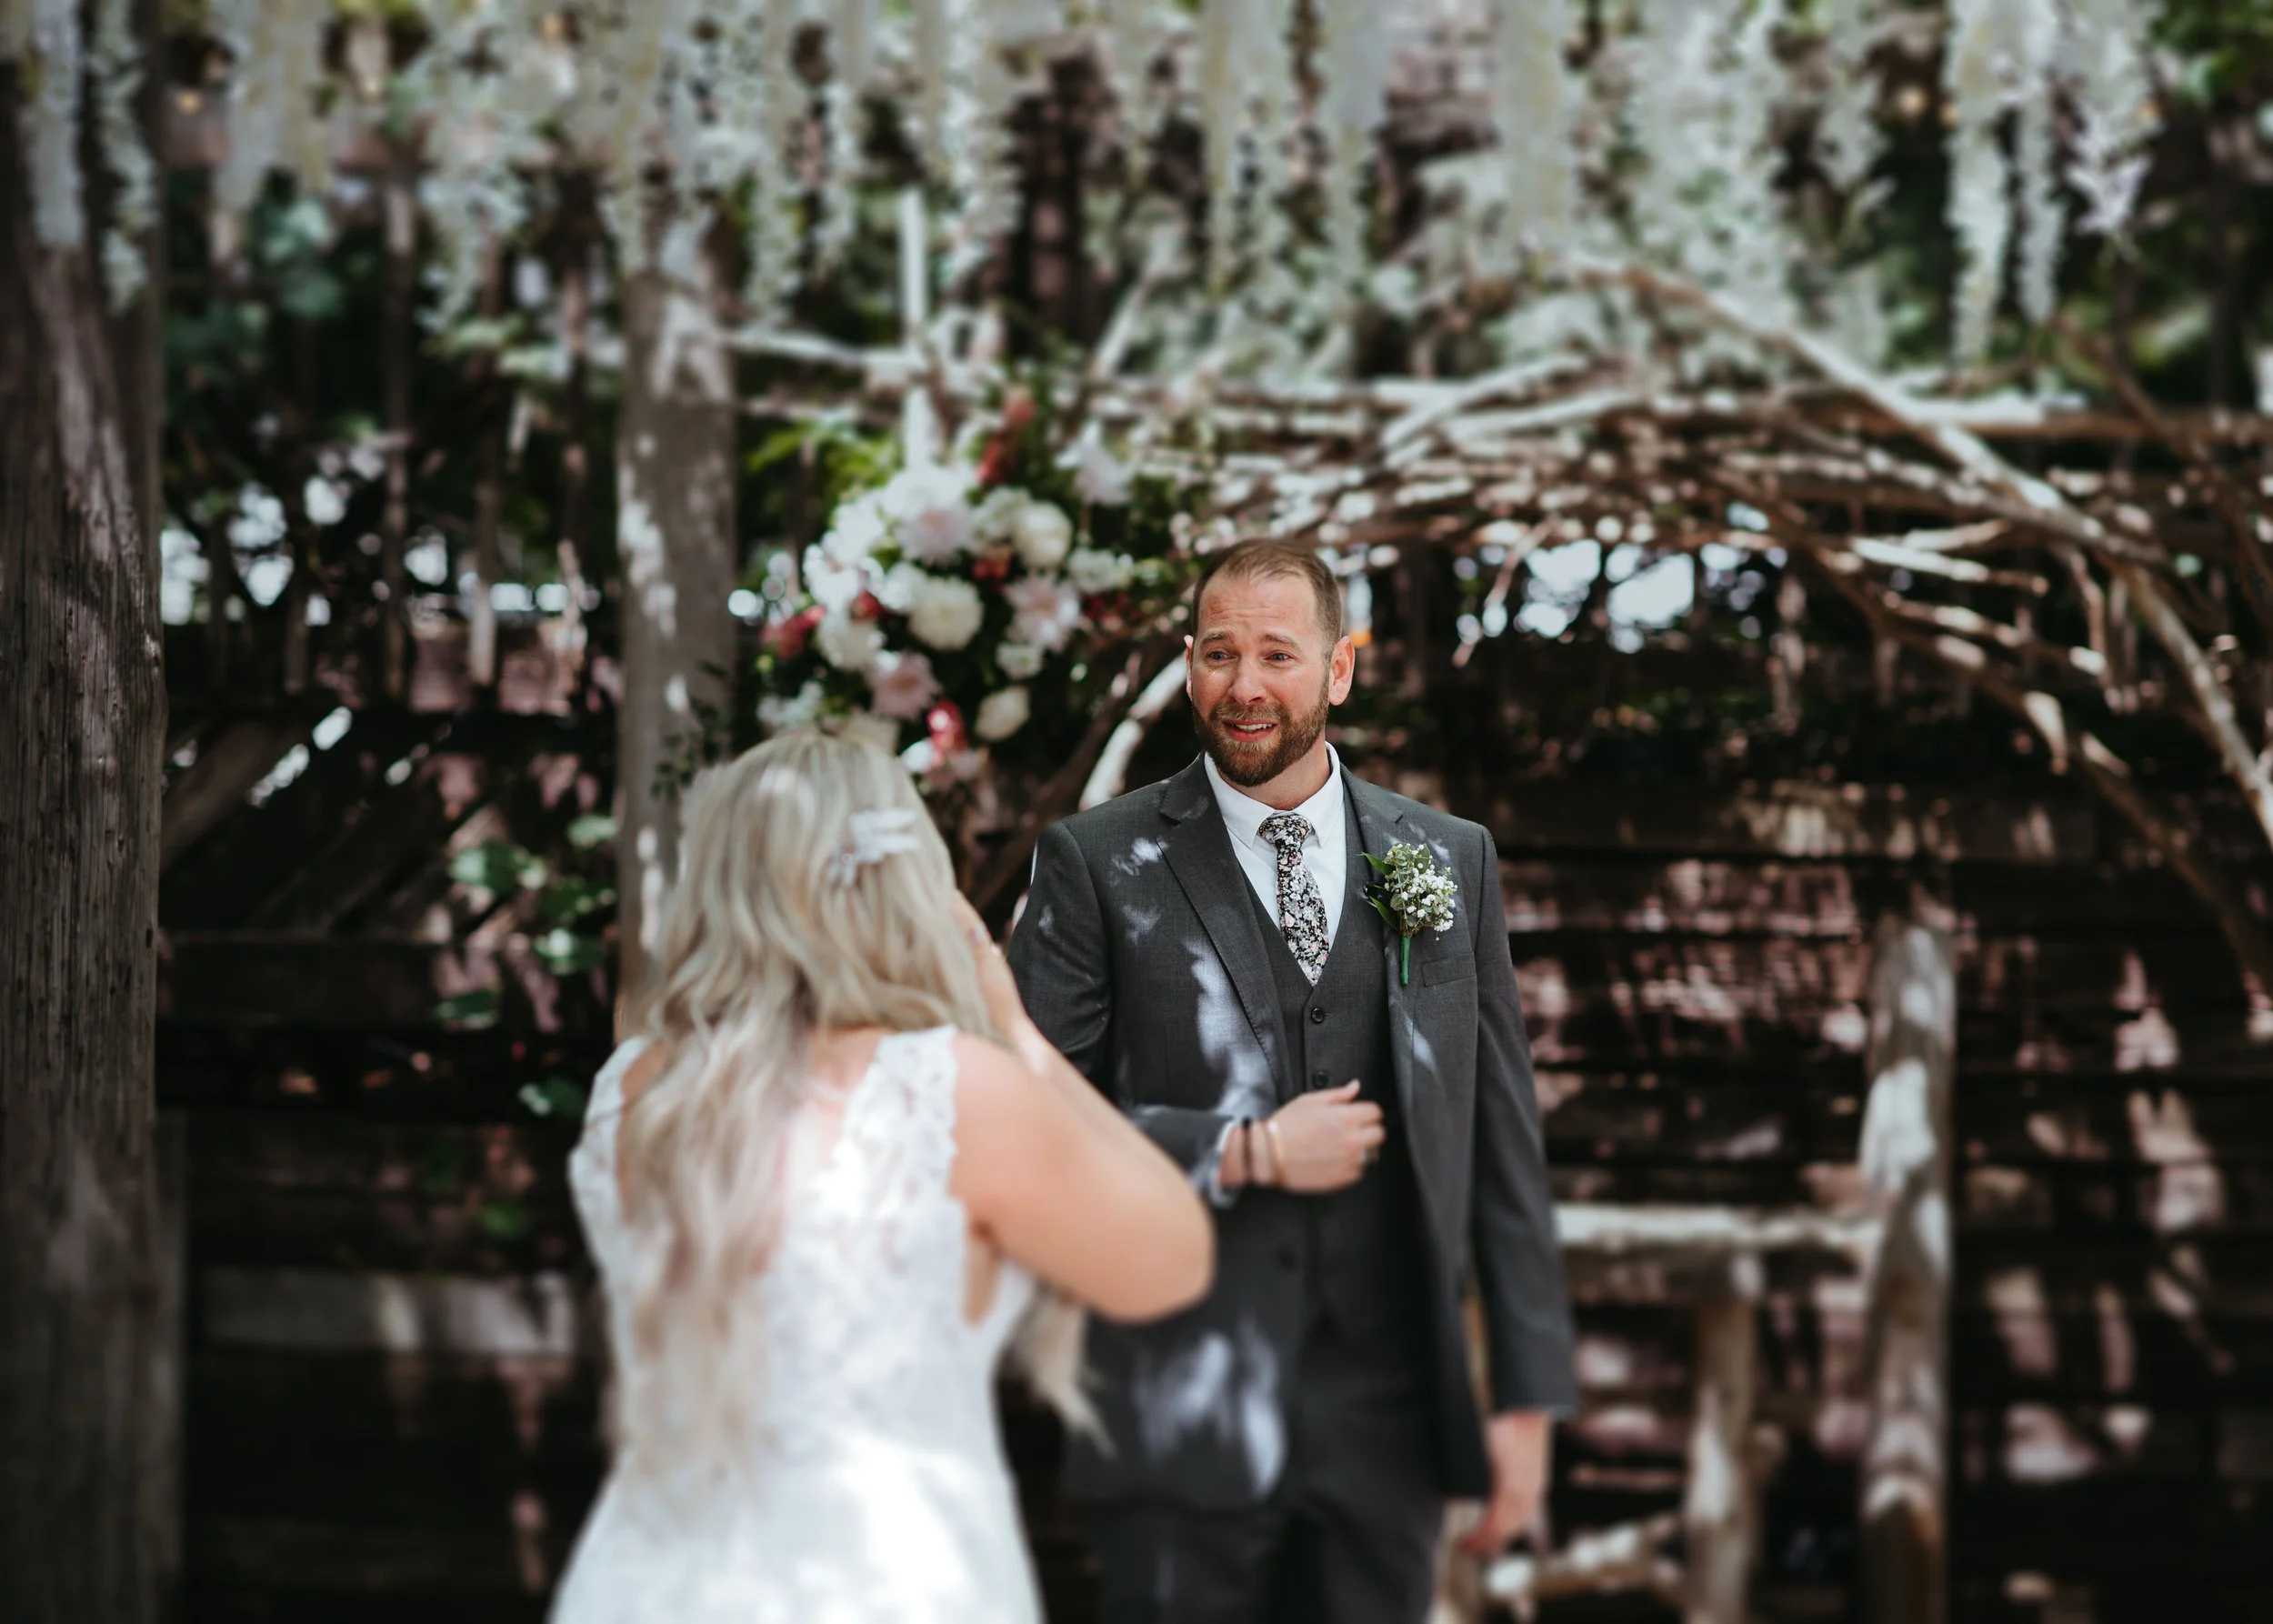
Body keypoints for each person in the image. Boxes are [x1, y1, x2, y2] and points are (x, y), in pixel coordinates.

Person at [1006, 538, 1577, 1624]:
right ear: (1187, 664)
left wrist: (1528, 1398)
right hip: (1176, 1412)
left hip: (1389, 1423)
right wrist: (1237, 1150)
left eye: (1277, 653)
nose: (1245, 686)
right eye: (1218, 654)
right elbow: (1035, 1121)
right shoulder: (1095, 861)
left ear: (1339, 668)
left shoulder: (1450, 858)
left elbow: (1502, 1139)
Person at [552, 730, 1213, 1624]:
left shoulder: (631, 1090)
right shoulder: (948, 1090)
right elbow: (1173, 1253)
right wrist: (1016, 1031)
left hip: (644, 1584)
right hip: (896, 1582)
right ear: (910, 890)